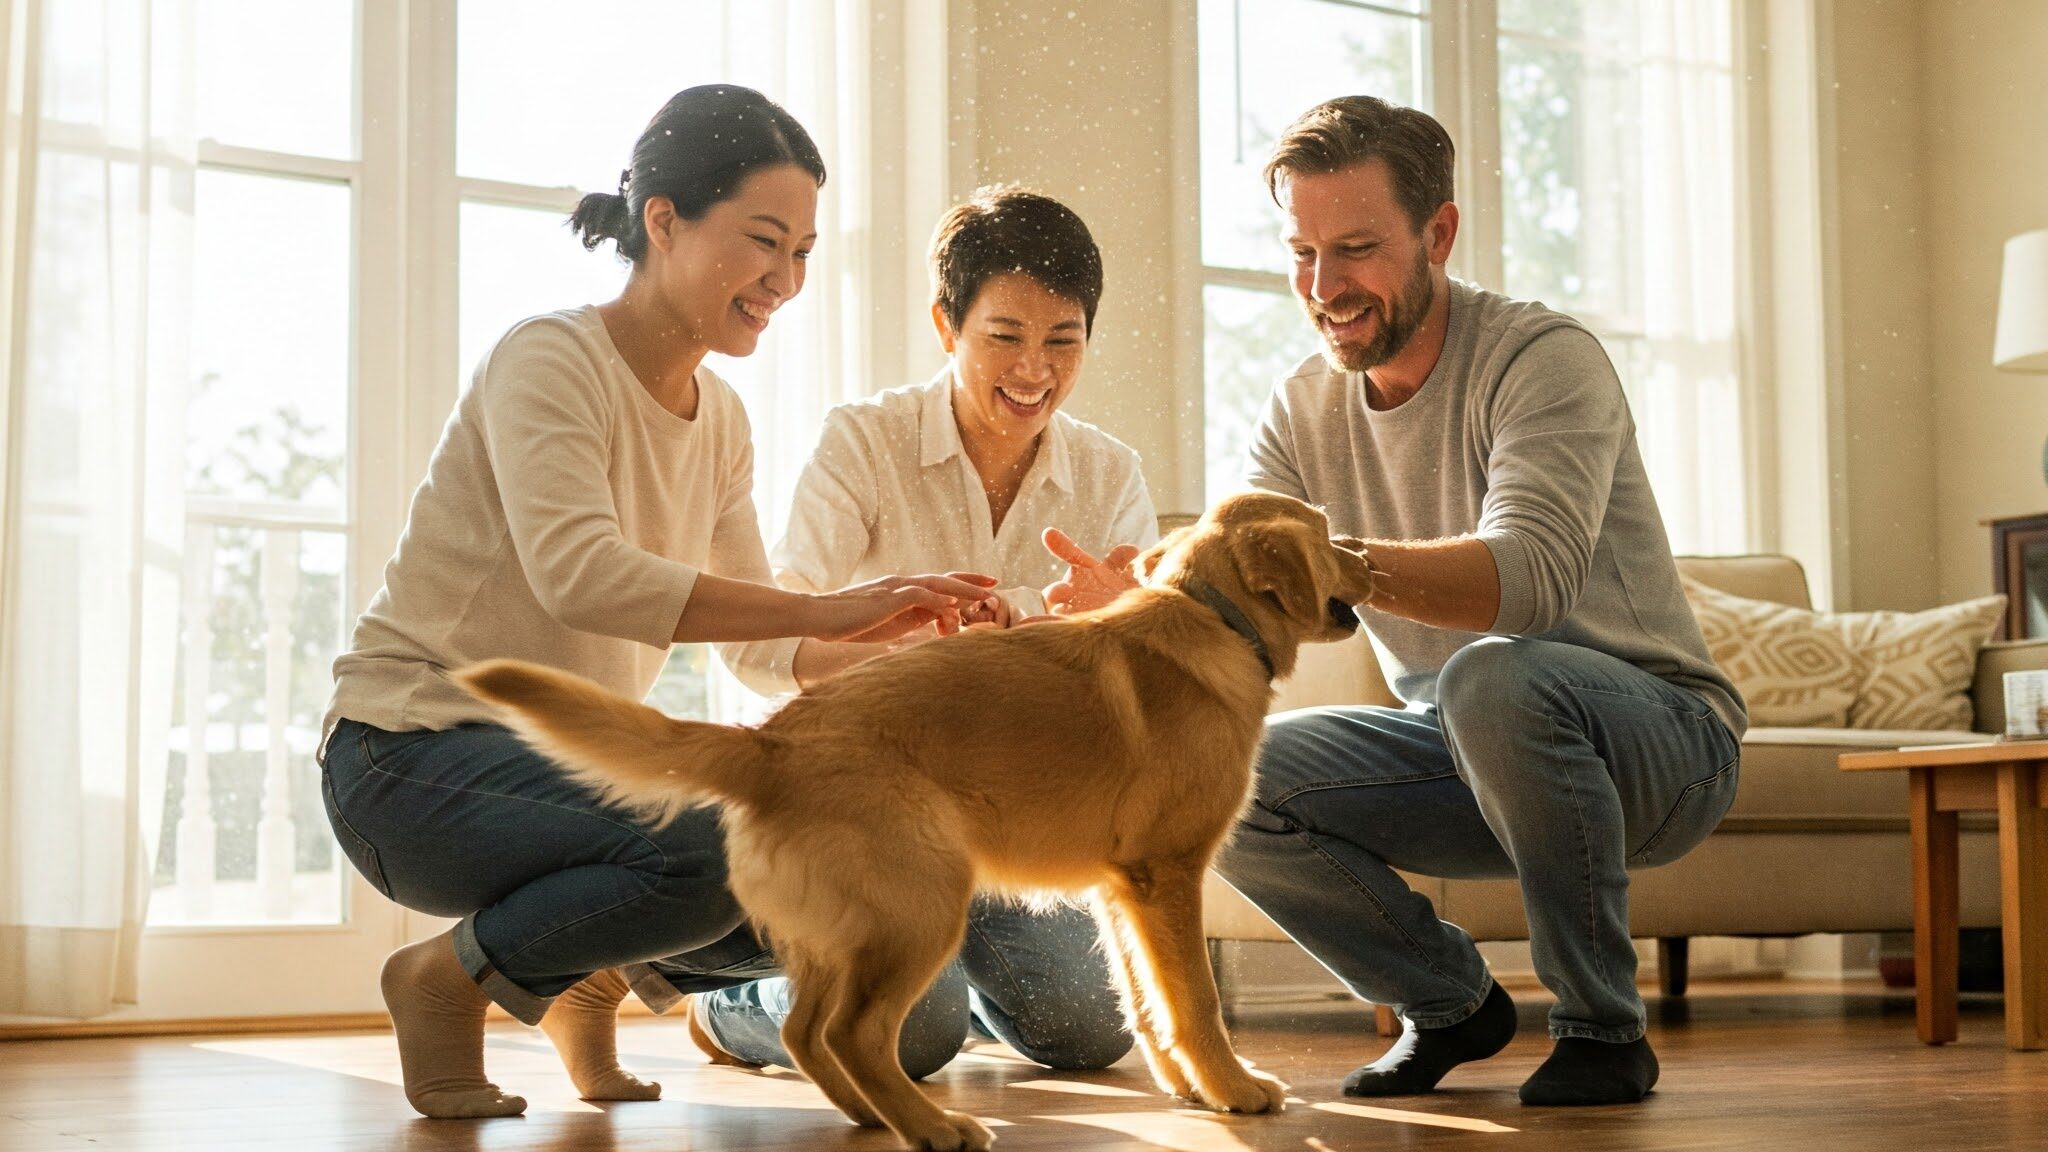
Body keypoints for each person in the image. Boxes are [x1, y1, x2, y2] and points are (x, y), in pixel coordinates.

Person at [316, 85, 995, 1119]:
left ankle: (584, 973)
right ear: (663, 220)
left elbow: (762, 650)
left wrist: (907, 649)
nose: (785, 279)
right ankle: (440, 980)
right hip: (405, 761)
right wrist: (823, 609)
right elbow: (579, 575)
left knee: (819, 882)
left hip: (559, 776)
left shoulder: (719, 417)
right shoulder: (548, 359)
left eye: (804, 251)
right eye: (764, 241)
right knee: (712, 845)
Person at [1059, 95, 1746, 1107]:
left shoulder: (1540, 361)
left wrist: (1326, 561)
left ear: (1439, 232)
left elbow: (1533, 578)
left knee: (1492, 673)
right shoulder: (1300, 407)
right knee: (1230, 777)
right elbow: (1242, 580)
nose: (1323, 287)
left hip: (1657, 744)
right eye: (1300, 253)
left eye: (1356, 249)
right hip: (1459, 748)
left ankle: (1602, 1027)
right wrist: (1148, 601)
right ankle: (1448, 1003)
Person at [694, 186, 1154, 1075]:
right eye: (1005, 336)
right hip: (871, 803)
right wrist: (910, 646)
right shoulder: (863, 442)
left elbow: (1136, 692)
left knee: (1091, 1032)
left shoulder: (1109, 472)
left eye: (1064, 340)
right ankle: (728, 1005)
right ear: (947, 326)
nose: (1035, 370)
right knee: (907, 1034)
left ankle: (954, 978)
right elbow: (761, 647)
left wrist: (1116, 629)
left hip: (1013, 813)